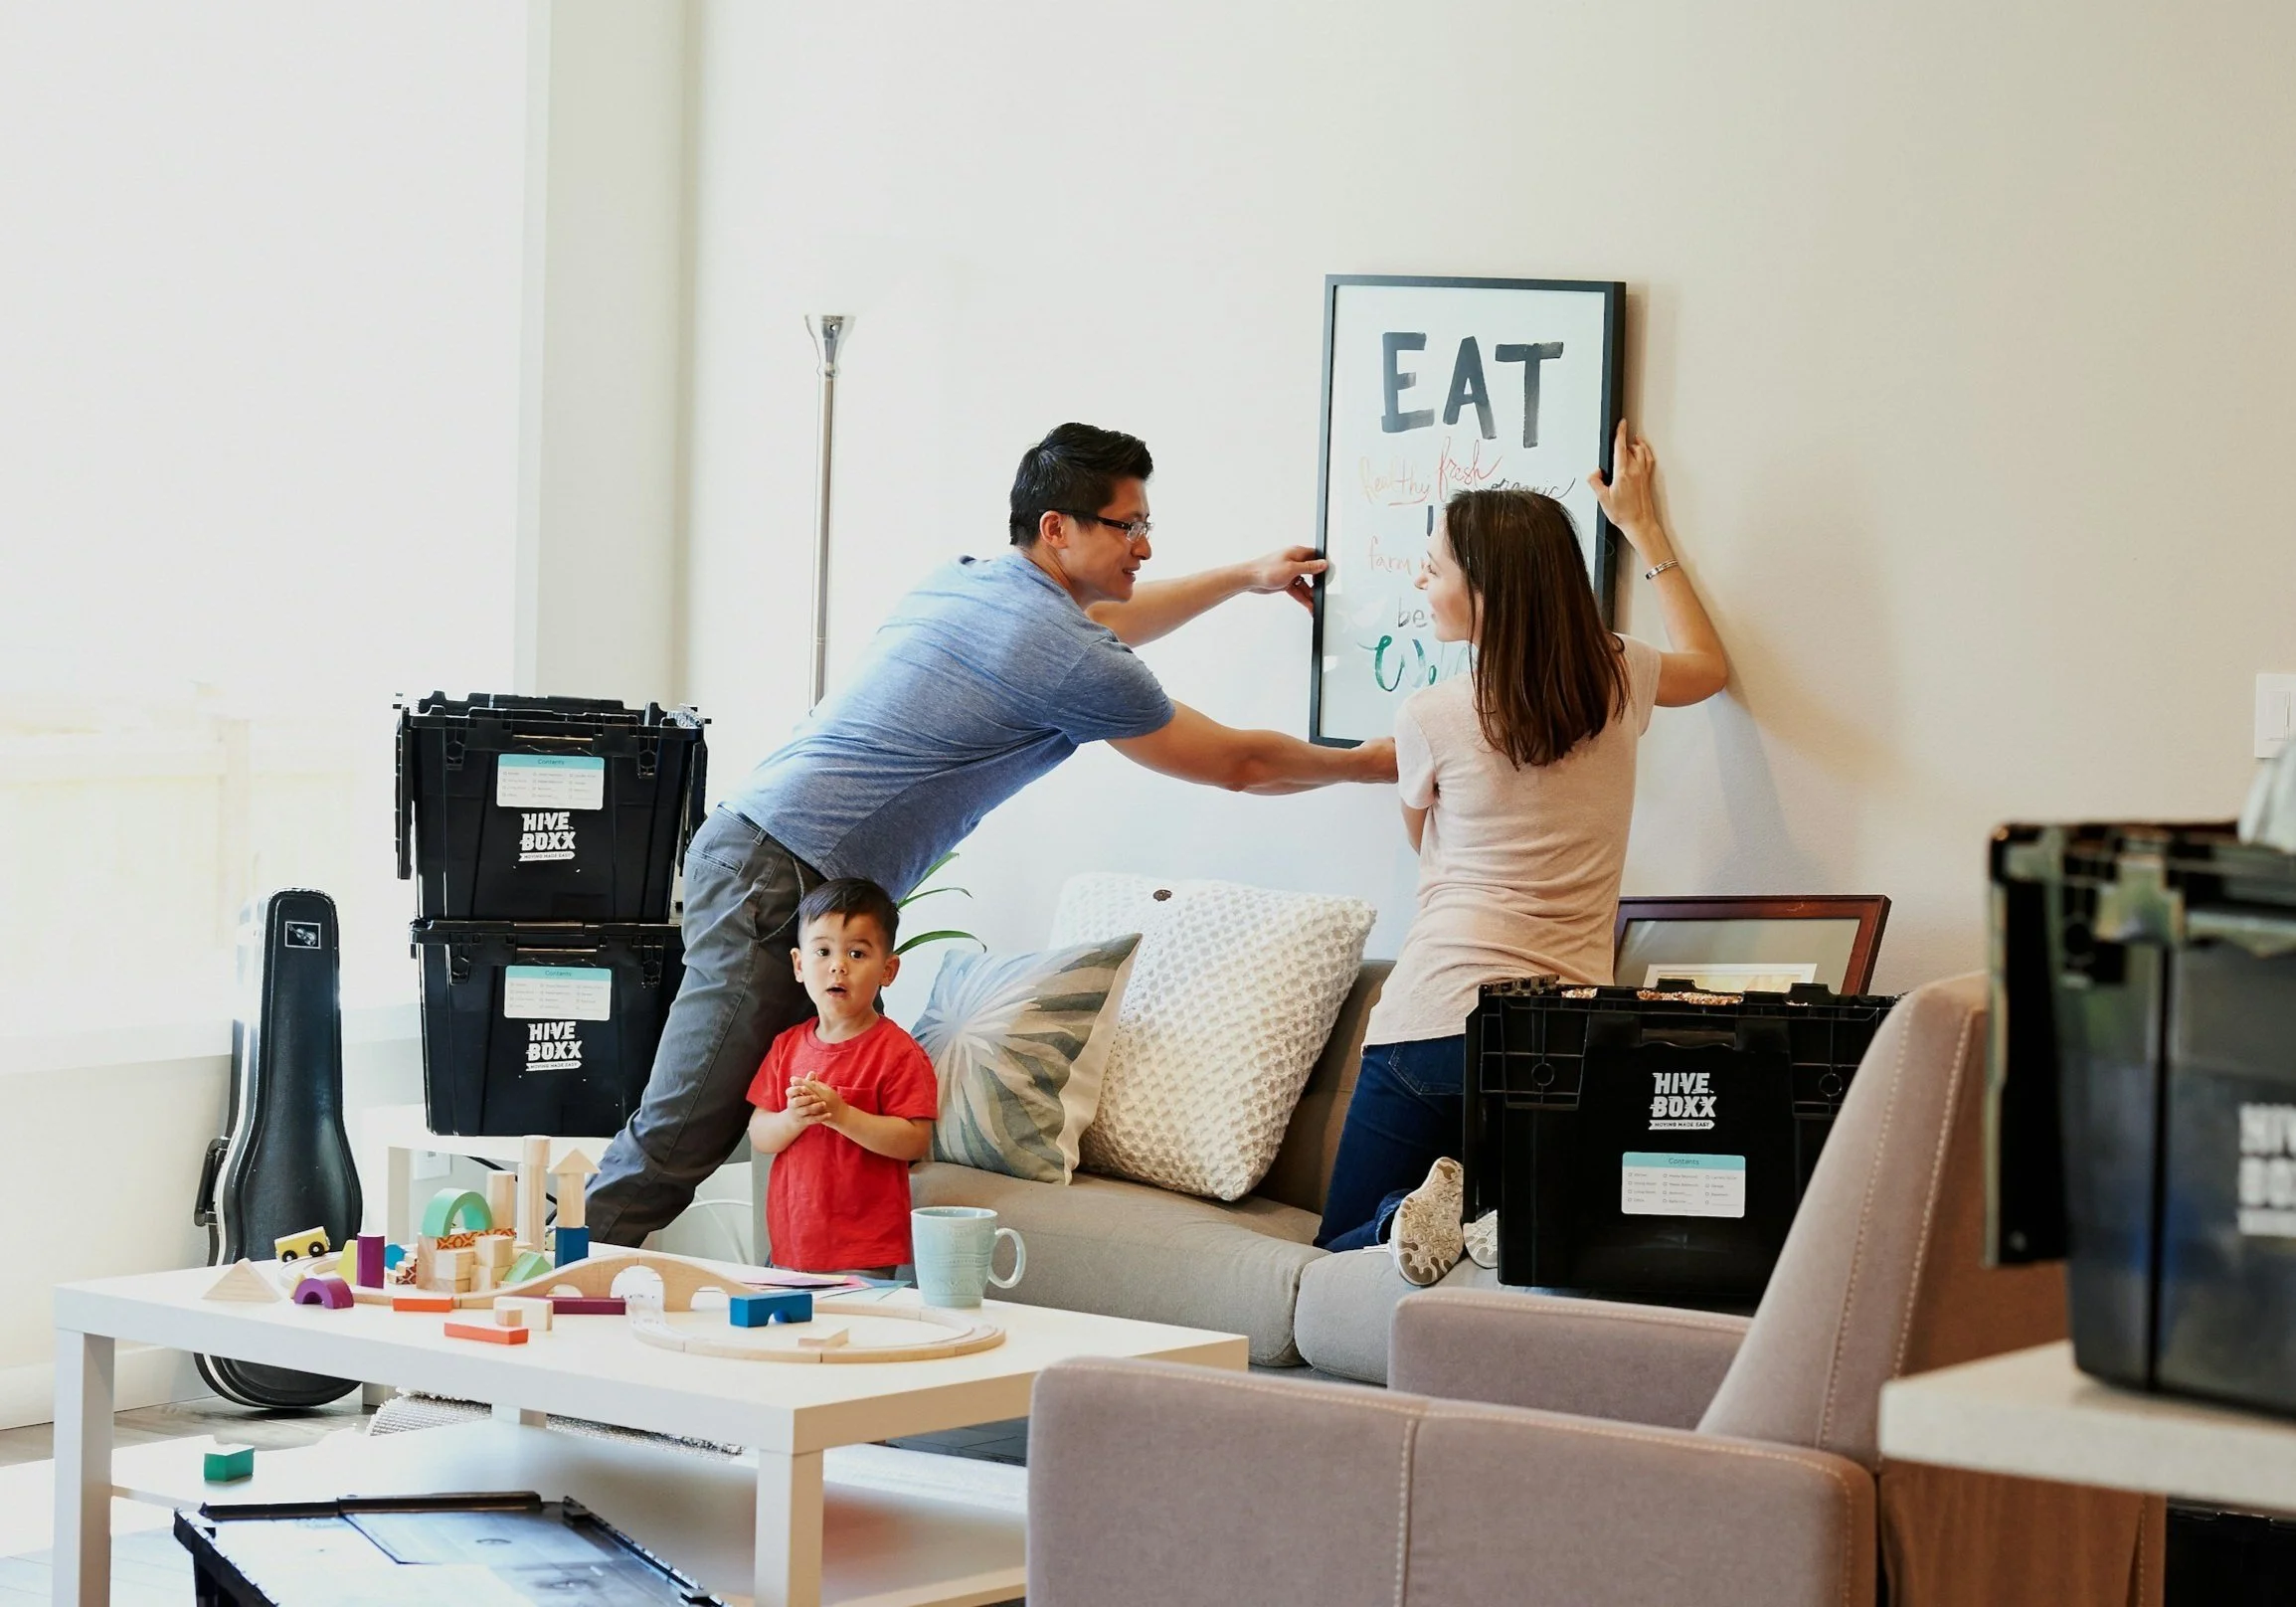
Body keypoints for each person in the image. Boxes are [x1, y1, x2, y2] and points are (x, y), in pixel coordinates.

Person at [587, 422, 1397, 1244]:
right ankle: (540, 1303)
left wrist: (1241, 577)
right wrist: (1373, 762)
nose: (1143, 548)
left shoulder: (971, 581)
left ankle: (556, 1286)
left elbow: (1111, 621)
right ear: (1058, 528)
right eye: (1129, 526)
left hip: (756, 849)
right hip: (782, 875)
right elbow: (1237, 763)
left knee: (688, 1119)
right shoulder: (1067, 654)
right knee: (685, 1127)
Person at [1315, 425, 1731, 1285]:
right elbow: (1711, 667)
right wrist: (1644, 530)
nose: (1421, 581)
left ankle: (1419, 1215)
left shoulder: (1431, 714)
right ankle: (1485, 1218)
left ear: (1487, 588)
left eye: (1434, 567)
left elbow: (1420, 840)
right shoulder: (1619, 677)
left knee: (1339, 1247)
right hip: (1562, 1033)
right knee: (1531, 1244)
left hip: (1432, 1020)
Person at [747, 878, 938, 1276]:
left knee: (860, 1335)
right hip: (792, 1242)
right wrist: (794, 1118)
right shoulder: (786, 1047)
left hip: (865, 1250)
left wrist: (841, 1114)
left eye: (856, 952)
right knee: (789, 1335)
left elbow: (914, 1140)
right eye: (823, 951)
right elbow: (761, 1134)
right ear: (800, 965)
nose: (838, 965)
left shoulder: (898, 1052)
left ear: (888, 969)